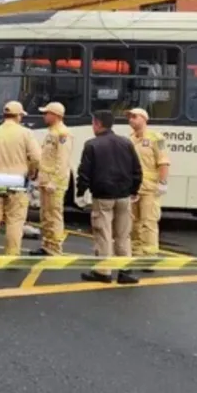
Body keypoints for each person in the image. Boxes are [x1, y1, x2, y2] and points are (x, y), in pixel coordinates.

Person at [75, 110, 142, 284]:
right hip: (124, 196)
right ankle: (125, 271)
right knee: (123, 235)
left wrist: (81, 192)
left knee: (103, 233)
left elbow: (84, 173)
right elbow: (137, 170)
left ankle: (103, 271)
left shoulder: (92, 145)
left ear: (97, 124)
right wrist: (134, 190)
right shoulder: (126, 143)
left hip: (103, 196)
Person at [0, 101, 42, 257]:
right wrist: (32, 172)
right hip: (17, 184)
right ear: (18, 116)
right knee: (15, 221)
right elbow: (37, 158)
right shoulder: (26, 133)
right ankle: (12, 255)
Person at [126, 107, 171, 272]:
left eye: (134, 116)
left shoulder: (156, 138)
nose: (131, 119)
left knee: (148, 222)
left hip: (150, 188)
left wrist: (162, 182)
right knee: (134, 223)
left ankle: (149, 258)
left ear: (144, 119)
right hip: (134, 188)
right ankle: (137, 253)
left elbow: (163, 162)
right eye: (129, 117)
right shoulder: (130, 139)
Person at [32, 101, 73, 256]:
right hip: (45, 181)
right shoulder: (52, 132)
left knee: (54, 216)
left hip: (54, 183)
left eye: (47, 113)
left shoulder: (63, 134)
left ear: (55, 115)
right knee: (46, 215)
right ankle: (47, 245)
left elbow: (62, 161)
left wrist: (54, 182)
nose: (44, 116)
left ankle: (55, 248)